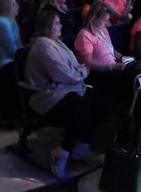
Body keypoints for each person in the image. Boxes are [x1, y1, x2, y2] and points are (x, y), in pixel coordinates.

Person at [24, 10, 93, 178]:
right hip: (47, 96)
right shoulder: (43, 45)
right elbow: (61, 73)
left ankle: (79, 145)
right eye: (56, 23)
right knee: (81, 109)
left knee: (97, 101)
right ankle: (62, 152)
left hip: (65, 89)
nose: (60, 25)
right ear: (47, 27)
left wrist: (80, 71)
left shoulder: (57, 42)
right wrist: (83, 73)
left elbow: (75, 65)